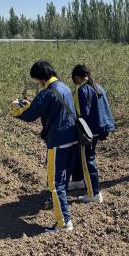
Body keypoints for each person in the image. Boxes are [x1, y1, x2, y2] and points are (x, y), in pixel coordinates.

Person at [11, 61, 77, 232]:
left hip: (57, 141)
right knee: (62, 181)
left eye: (37, 79)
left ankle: (64, 223)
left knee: (55, 184)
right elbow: (48, 108)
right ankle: (64, 219)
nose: (38, 83)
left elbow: (30, 115)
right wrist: (30, 105)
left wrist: (16, 109)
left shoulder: (46, 92)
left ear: (40, 77)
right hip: (72, 139)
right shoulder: (65, 87)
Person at [67, 65, 115, 203]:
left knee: (88, 161)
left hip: (88, 132)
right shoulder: (98, 87)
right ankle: (78, 181)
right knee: (82, 157)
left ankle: (94, 193)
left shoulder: (83, 89)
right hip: (98, 128)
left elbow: (83, 114)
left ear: (77, 76)